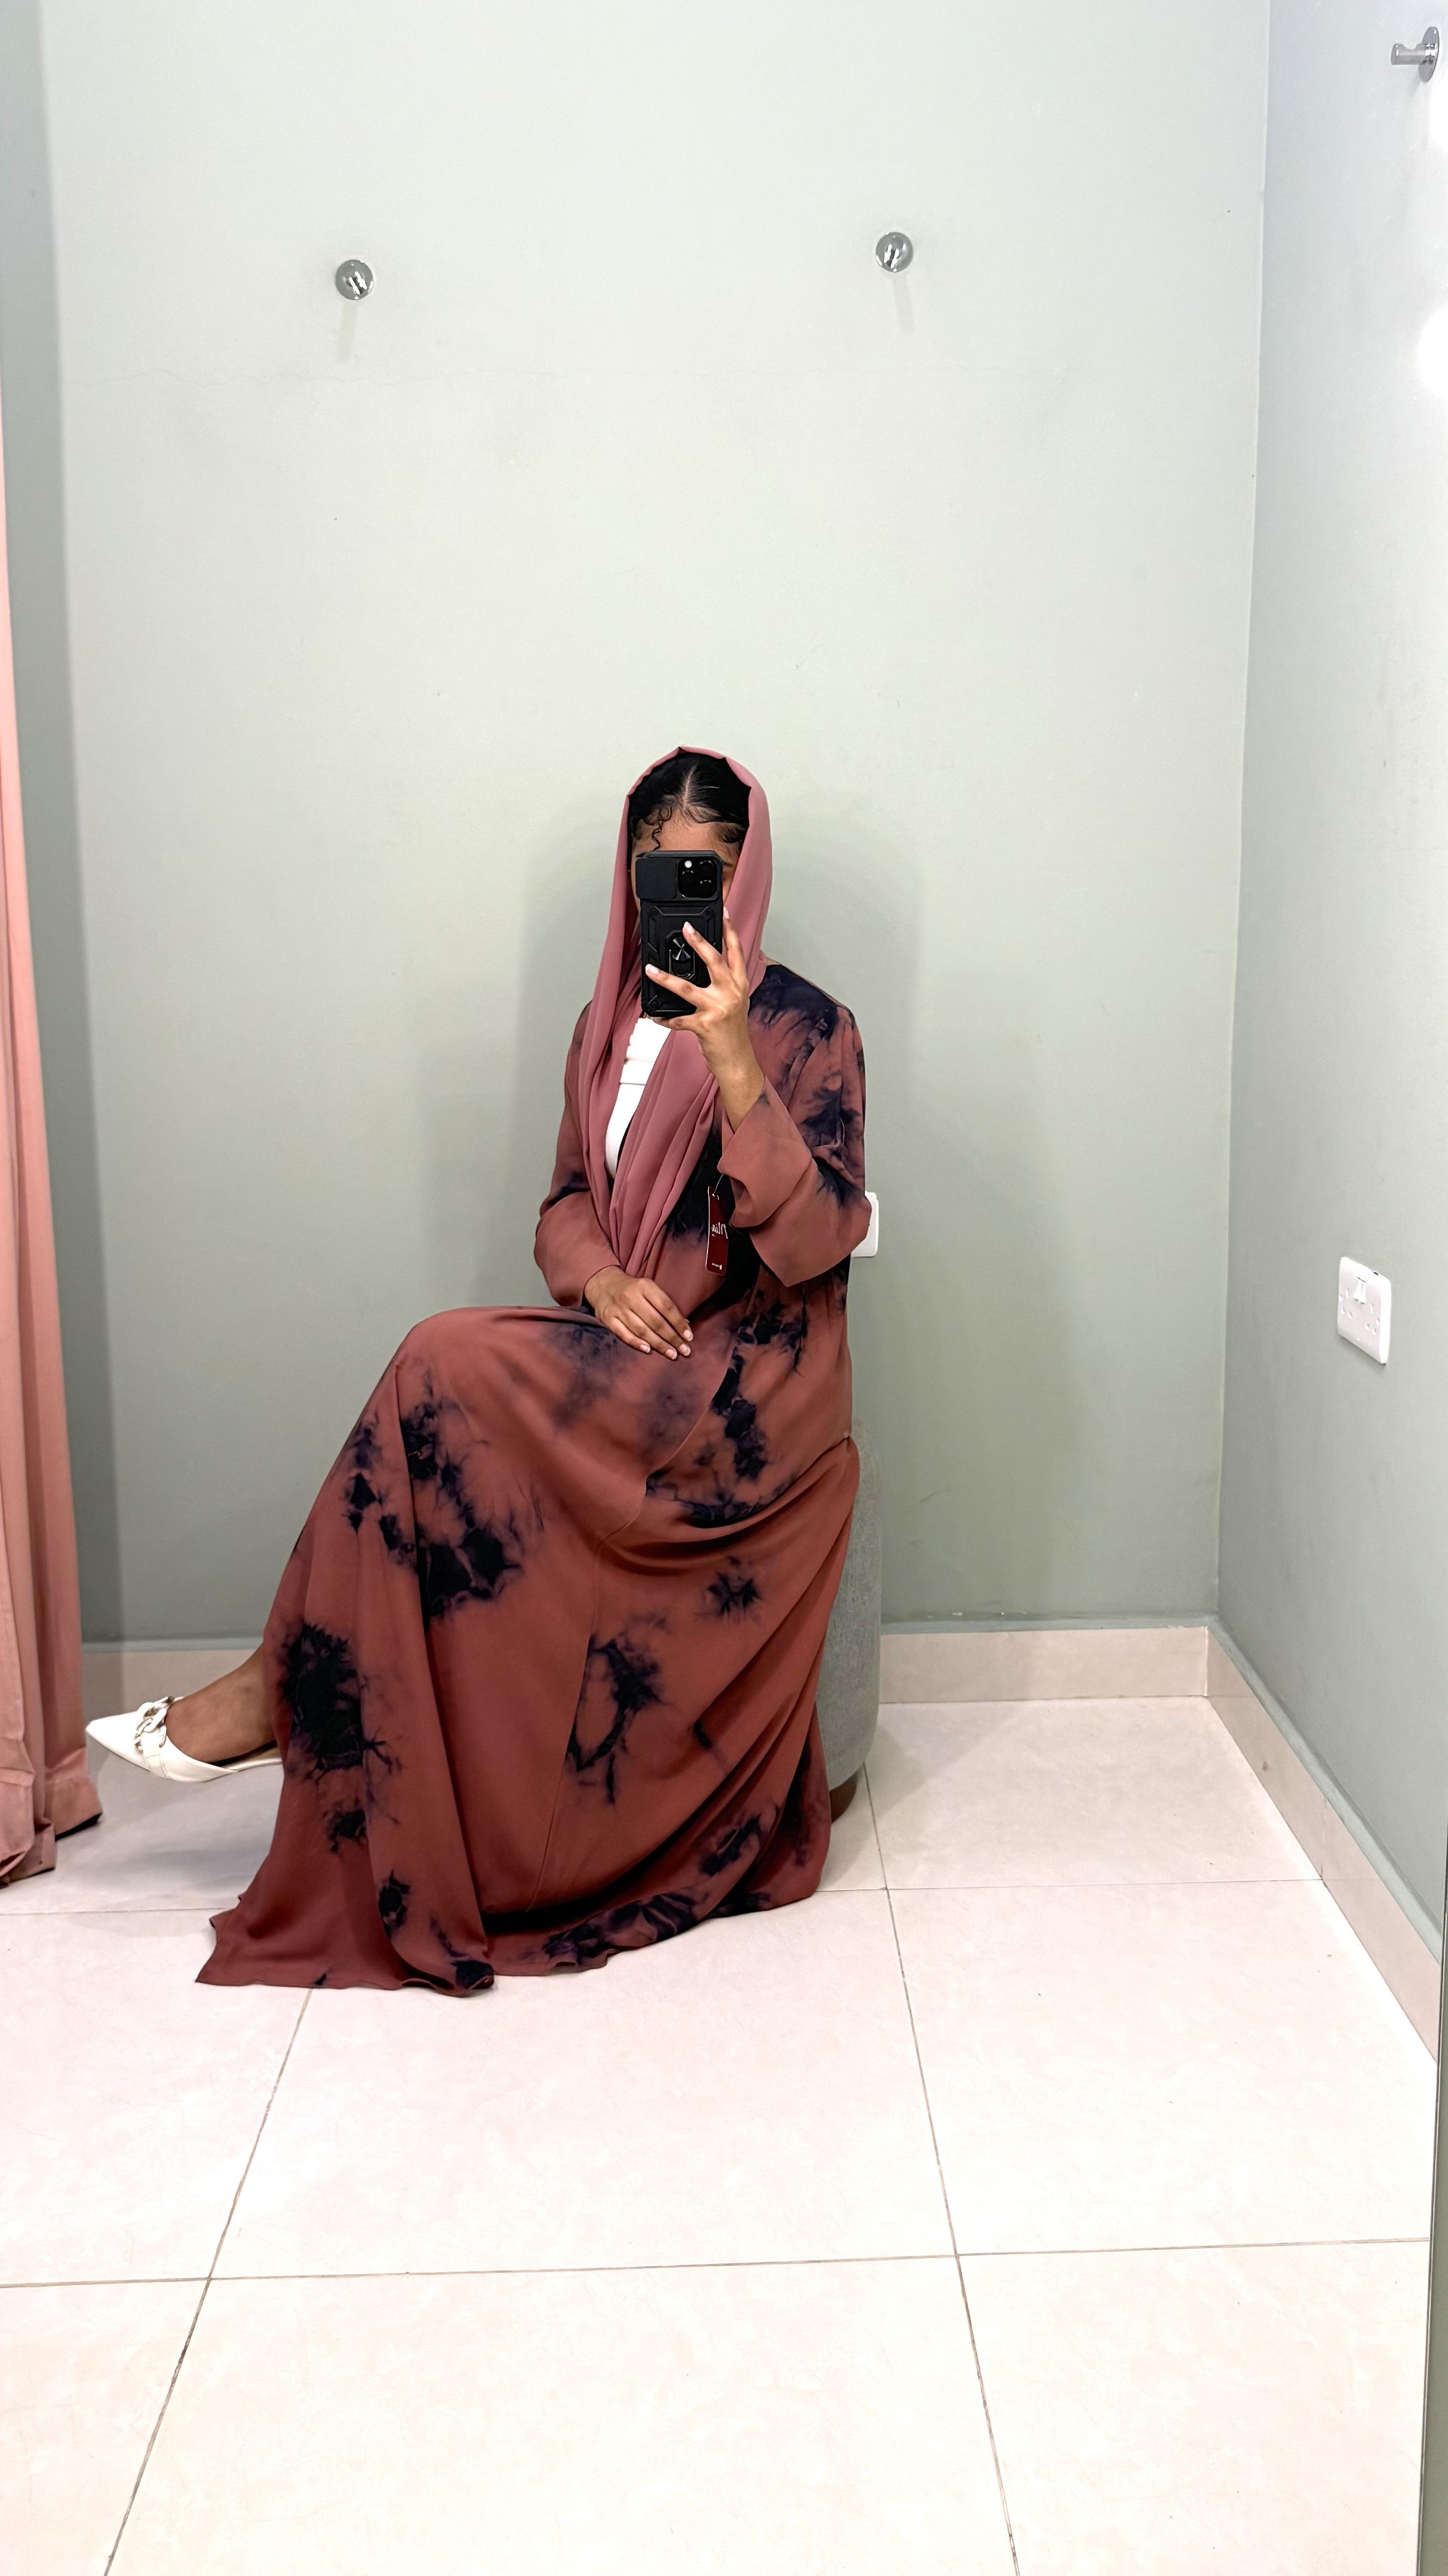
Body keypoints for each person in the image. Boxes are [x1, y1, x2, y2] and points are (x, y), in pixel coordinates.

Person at [88, 749, 871, 1992]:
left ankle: (270, 1695)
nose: (680, 901)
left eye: (707, 876)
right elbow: (565, 1203)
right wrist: (599, 1282)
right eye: (656, 872)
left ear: (746, 878)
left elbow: (824, 1235)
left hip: (744, 1386)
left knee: (438, 1355)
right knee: (437, 1401)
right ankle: (307, 1706)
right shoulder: (602, 1027)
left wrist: (733, 1058)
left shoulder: (809, 1027)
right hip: (628, 1349)